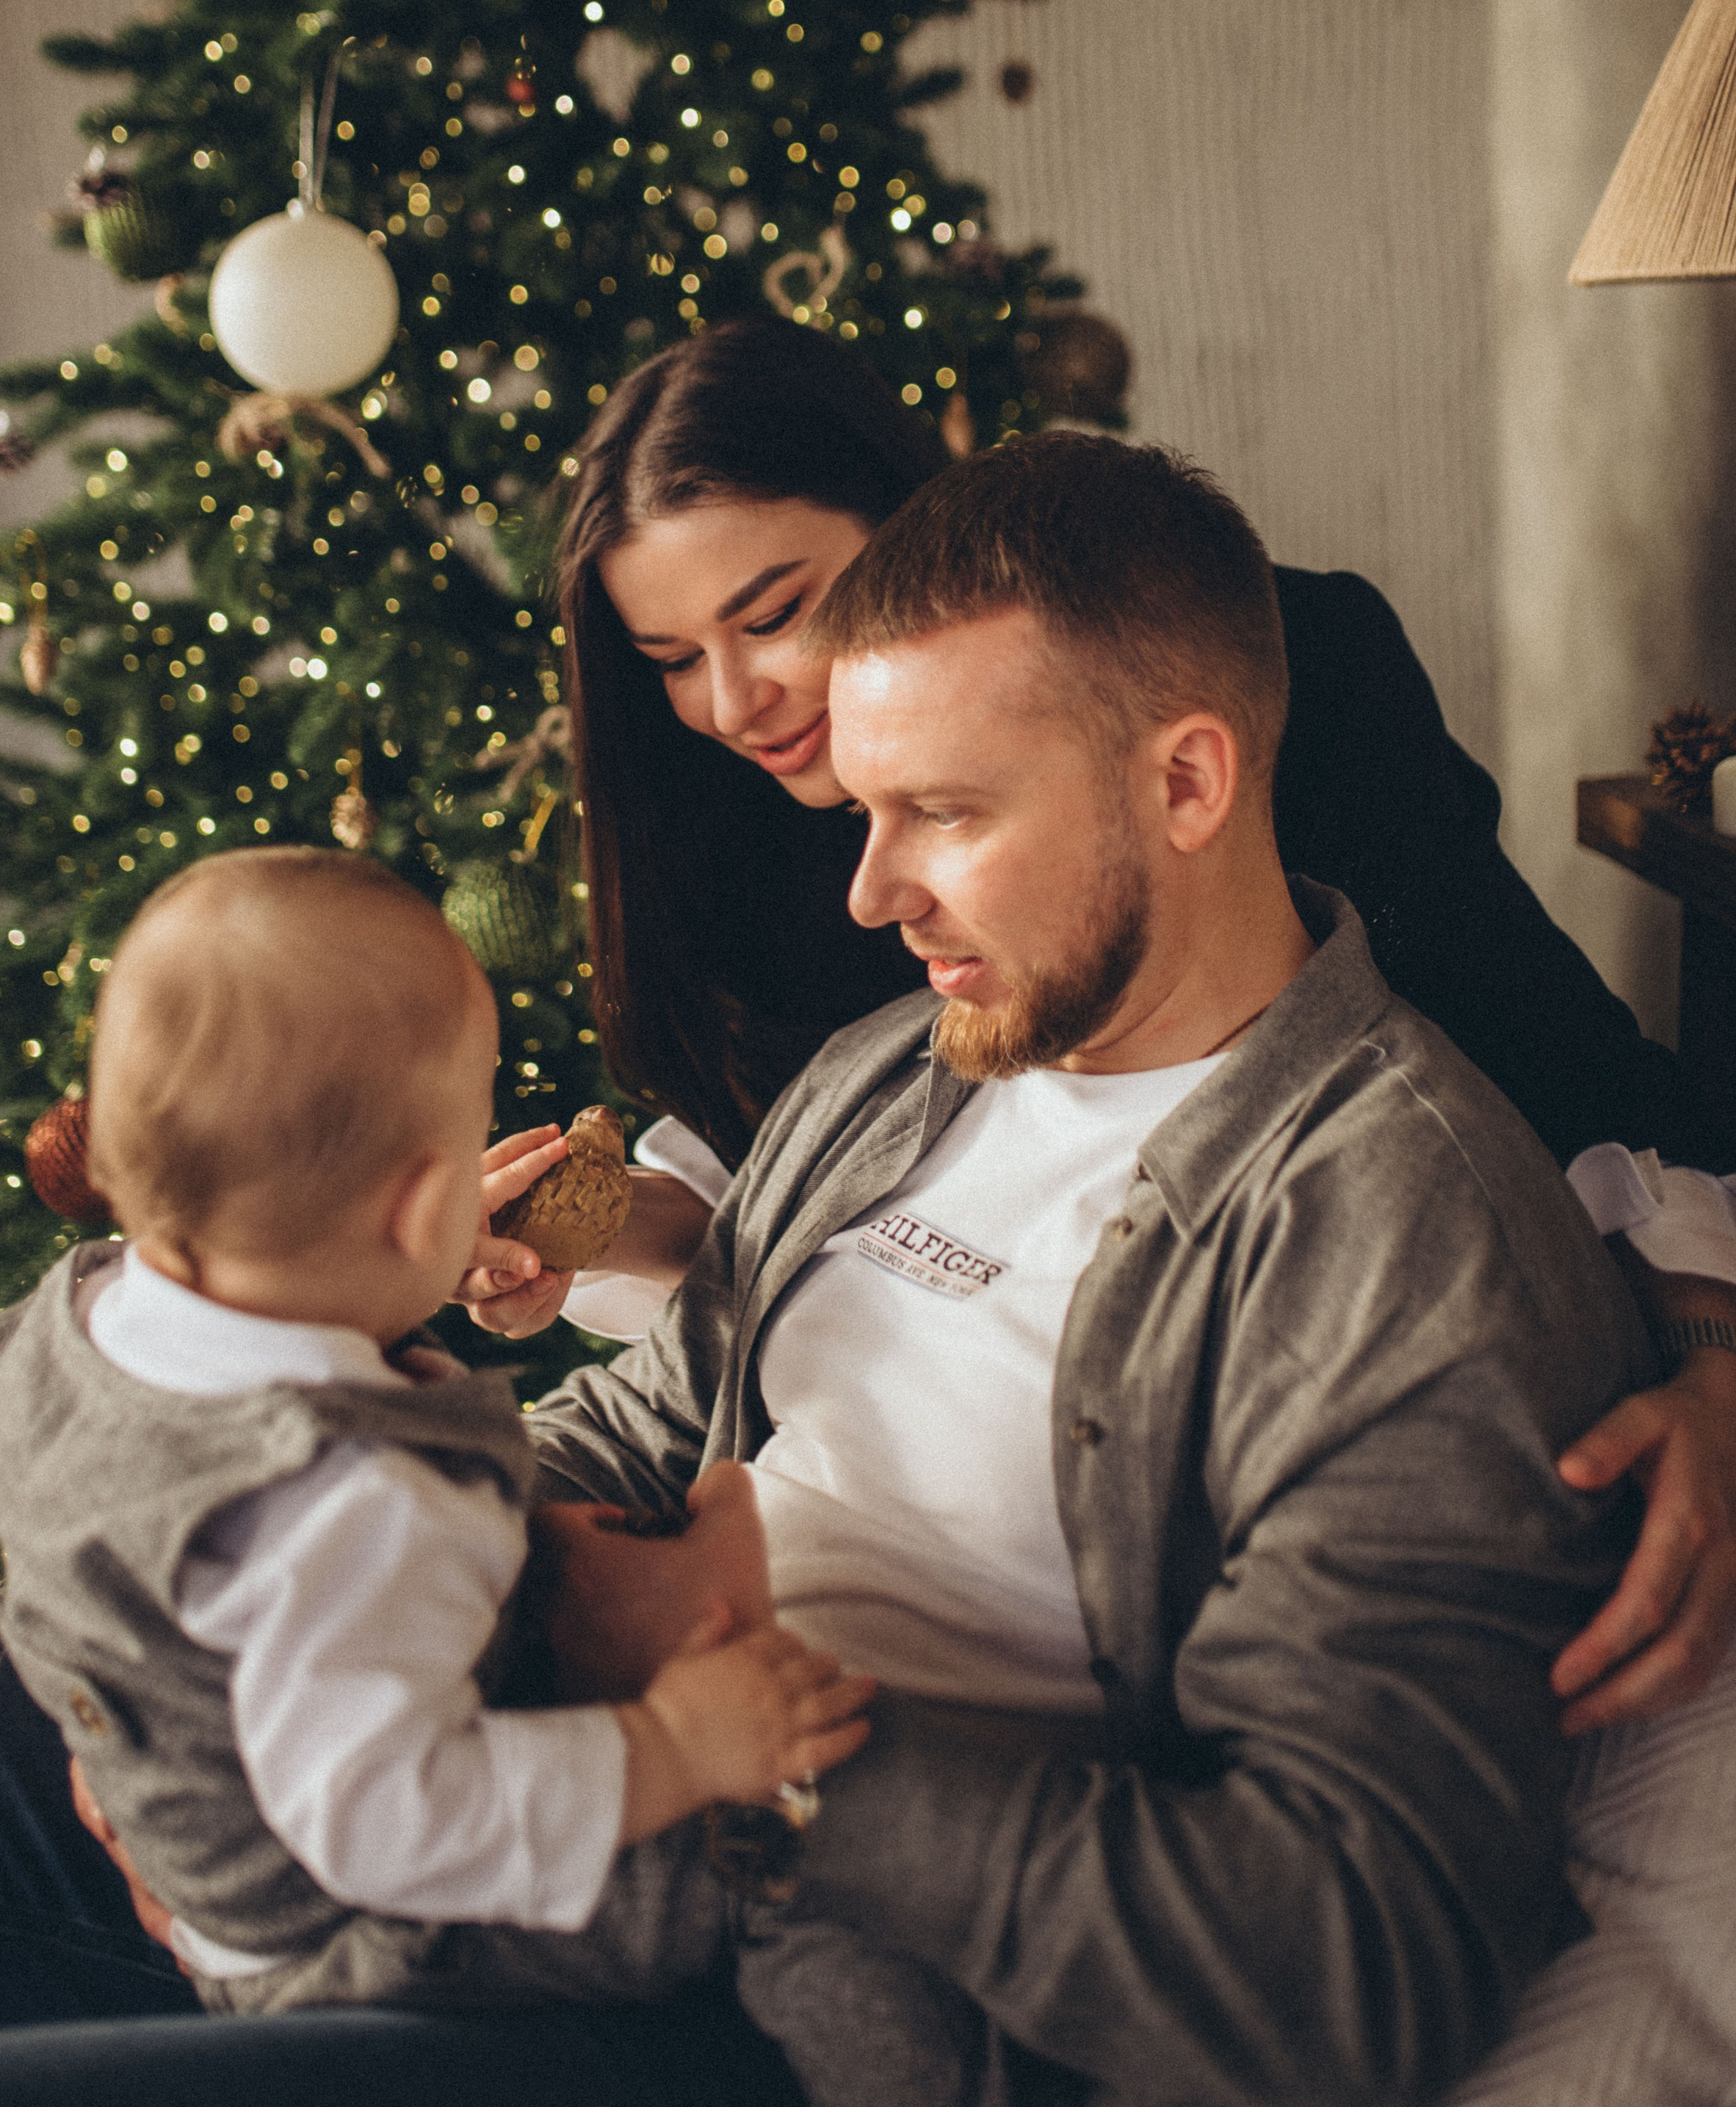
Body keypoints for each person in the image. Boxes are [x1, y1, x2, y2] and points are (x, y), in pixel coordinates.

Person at [524, 428, 1663, 2103]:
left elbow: (1349, 1968)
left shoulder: (1392, 1243)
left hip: (827, 1976)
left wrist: (744, 1735)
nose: (867, 889)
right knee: (44, 1681)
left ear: (1186, 783)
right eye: (863, 803)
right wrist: (349, 1537)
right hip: (551, 1787)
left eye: (943, 813)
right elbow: (655, 1414)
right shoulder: (893, 1064)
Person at [463, 317, 1736, 1733]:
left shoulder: (1283, 690)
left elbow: (1558, 1044)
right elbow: (768, 1248)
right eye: (669, 656)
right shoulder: (743, 826)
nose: (734, 701)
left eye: (773, 615)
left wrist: (1711, 1349)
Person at [0, 845, 995, 2107]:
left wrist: (380, 1274)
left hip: (198, 1811)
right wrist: (672, 1744)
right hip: (353, 1932)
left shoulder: (86, 1315)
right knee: (793, 1866)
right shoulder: (359, 1502)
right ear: (424, 1197)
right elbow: (392, 1828)